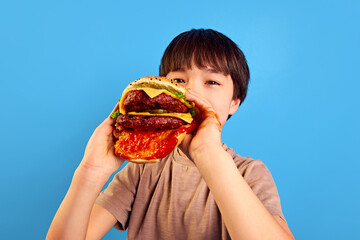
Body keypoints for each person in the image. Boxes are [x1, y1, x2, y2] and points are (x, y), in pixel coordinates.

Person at [47, 29, 295, 240]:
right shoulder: (143, 169)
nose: (190, 92)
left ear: (234, 103)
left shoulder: (250, 173)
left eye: (211, 82)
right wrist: (90, 171)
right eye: (178, 81)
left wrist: (208, 154)